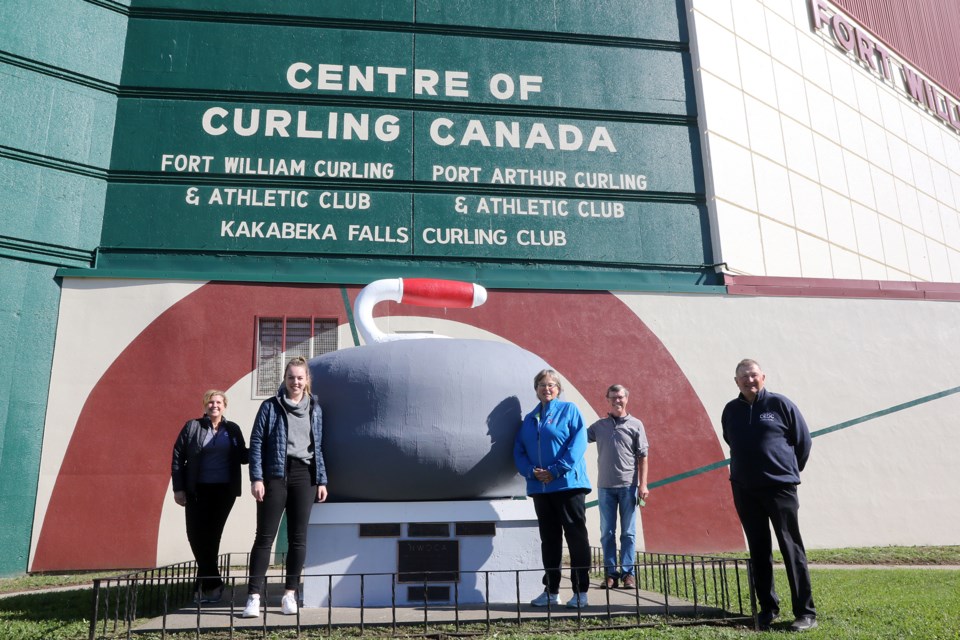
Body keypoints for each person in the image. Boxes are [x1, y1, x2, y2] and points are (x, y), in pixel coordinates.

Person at [721, 359, 817, 632]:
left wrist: (786, 469)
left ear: (763, 376)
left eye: (753, 376)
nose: (749, 381)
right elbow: (731, 439)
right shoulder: (730, 410)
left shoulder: (780, 405)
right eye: (743, 377)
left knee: (791, 548)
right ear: (736, 382)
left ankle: (805, 612)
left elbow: (803, 442)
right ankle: (768, 609)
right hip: (744, 488)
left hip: (780, 488)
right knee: (759, 550)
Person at [242, 356, 328, 618]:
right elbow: (256, 443)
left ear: (307, 380)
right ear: (285, 379)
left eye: (300, 377)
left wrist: (321, 479)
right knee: (265, 538)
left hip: (305, 476)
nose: (295, 382)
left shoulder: (315, 408)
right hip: (275, 475)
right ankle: (253, 597)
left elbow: (318, 447)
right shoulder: (271, 407)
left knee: (298, 538)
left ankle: (290, 594)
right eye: (291, 377)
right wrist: (256, 478)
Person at [513, 369, 592, 609]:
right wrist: (530, 471)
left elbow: (579, 442)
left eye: (551, 385)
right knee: (549, 540)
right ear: (535, 389)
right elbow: (519, 450)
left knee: (576, 537)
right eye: (541, 385)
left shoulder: (570, 410)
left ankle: (580, 591)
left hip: (568, 484)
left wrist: (557, 470)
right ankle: (551, 590)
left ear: (558, 389)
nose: (546, 389)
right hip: (540, 488)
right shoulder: (529, 419)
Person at [171, 389, 248, 604]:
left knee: (212, 536)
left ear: (225, 405)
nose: (214, 405)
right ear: (205, 406)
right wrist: (178, 488)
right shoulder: (192, 426)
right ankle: (213, 582)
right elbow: (178, 457)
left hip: (224, 491)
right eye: (210, 402)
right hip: (197, 489)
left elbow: (243, 456)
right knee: (195, 535)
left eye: (218, 402)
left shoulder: (232, 429)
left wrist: (265, 447)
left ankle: (205, 586)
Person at [587, 384, 649, 590]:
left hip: (628, 487)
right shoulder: (599, 426)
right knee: (607, 533)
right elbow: (577, 438)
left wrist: (643, 485)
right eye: (613, 397)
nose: (617, 401)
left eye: (620, 397)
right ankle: (611, 574)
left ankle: (628, 574)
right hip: (605, 488)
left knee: (628, 534)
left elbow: (643, 457)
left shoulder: (636, 425)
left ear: (627, 399)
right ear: (608, 400)